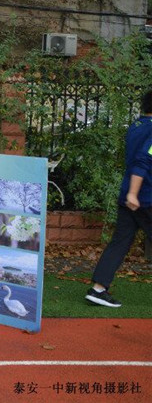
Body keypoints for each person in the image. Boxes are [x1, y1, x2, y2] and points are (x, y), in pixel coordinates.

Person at [86, 90, 152, 308]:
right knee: (120, 241)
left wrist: (129, 193)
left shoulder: (136, 126)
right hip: (144, 198)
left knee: (120, 241)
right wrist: (134, 193)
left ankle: (98, 289)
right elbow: (143, 161)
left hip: (128, 196)